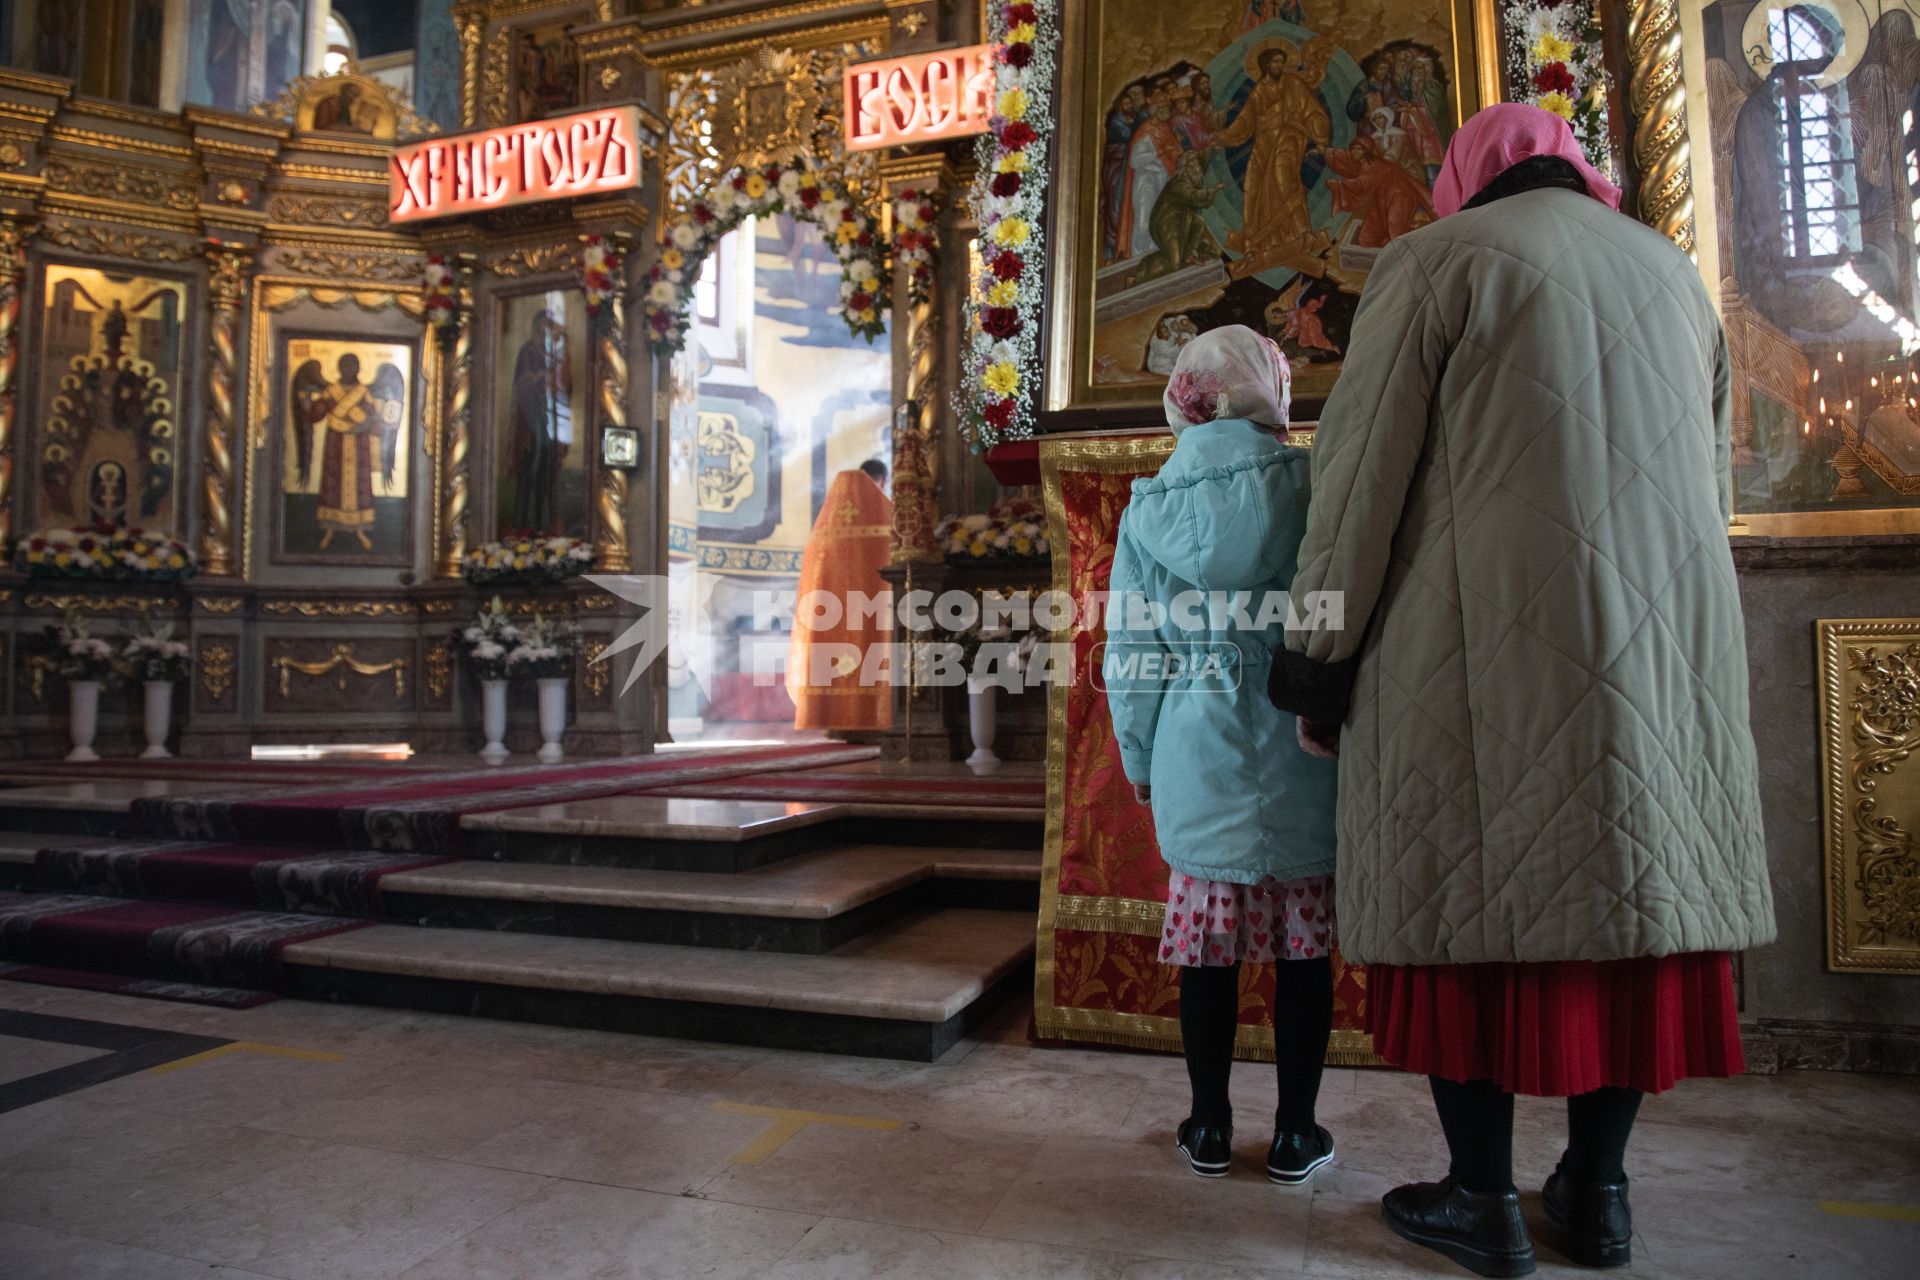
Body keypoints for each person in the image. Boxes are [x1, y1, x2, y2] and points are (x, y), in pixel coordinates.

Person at [1267, 104, 1774, 1277]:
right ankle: (1597, 1195)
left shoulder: (1433, 262)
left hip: (1472, 648)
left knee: (1468, 915)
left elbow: (1355, 488)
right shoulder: (1673, 271)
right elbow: (1710, 486)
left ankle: (1482, 1198)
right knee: (1632, 913)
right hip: (1659, 656)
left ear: (1460, 175)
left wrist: (1316, 666)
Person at [1104, 325, 1341, 1189]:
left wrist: (1138, 756)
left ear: (1190, 395)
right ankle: (1295, 1133)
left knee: (1208, 950)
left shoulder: (1150, 508)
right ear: (1268, 390)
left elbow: (1131, 652)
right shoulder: (1314, 482)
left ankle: (1207, 1125)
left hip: (1194, 743)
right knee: (1302, 952)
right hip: (1300, 743)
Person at [788, 466, 894, 731]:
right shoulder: (889, 523)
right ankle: (875, 717)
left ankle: (834, 719)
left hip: (833, 620)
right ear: (882, 481)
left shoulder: (823, 532)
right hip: (874, 614)